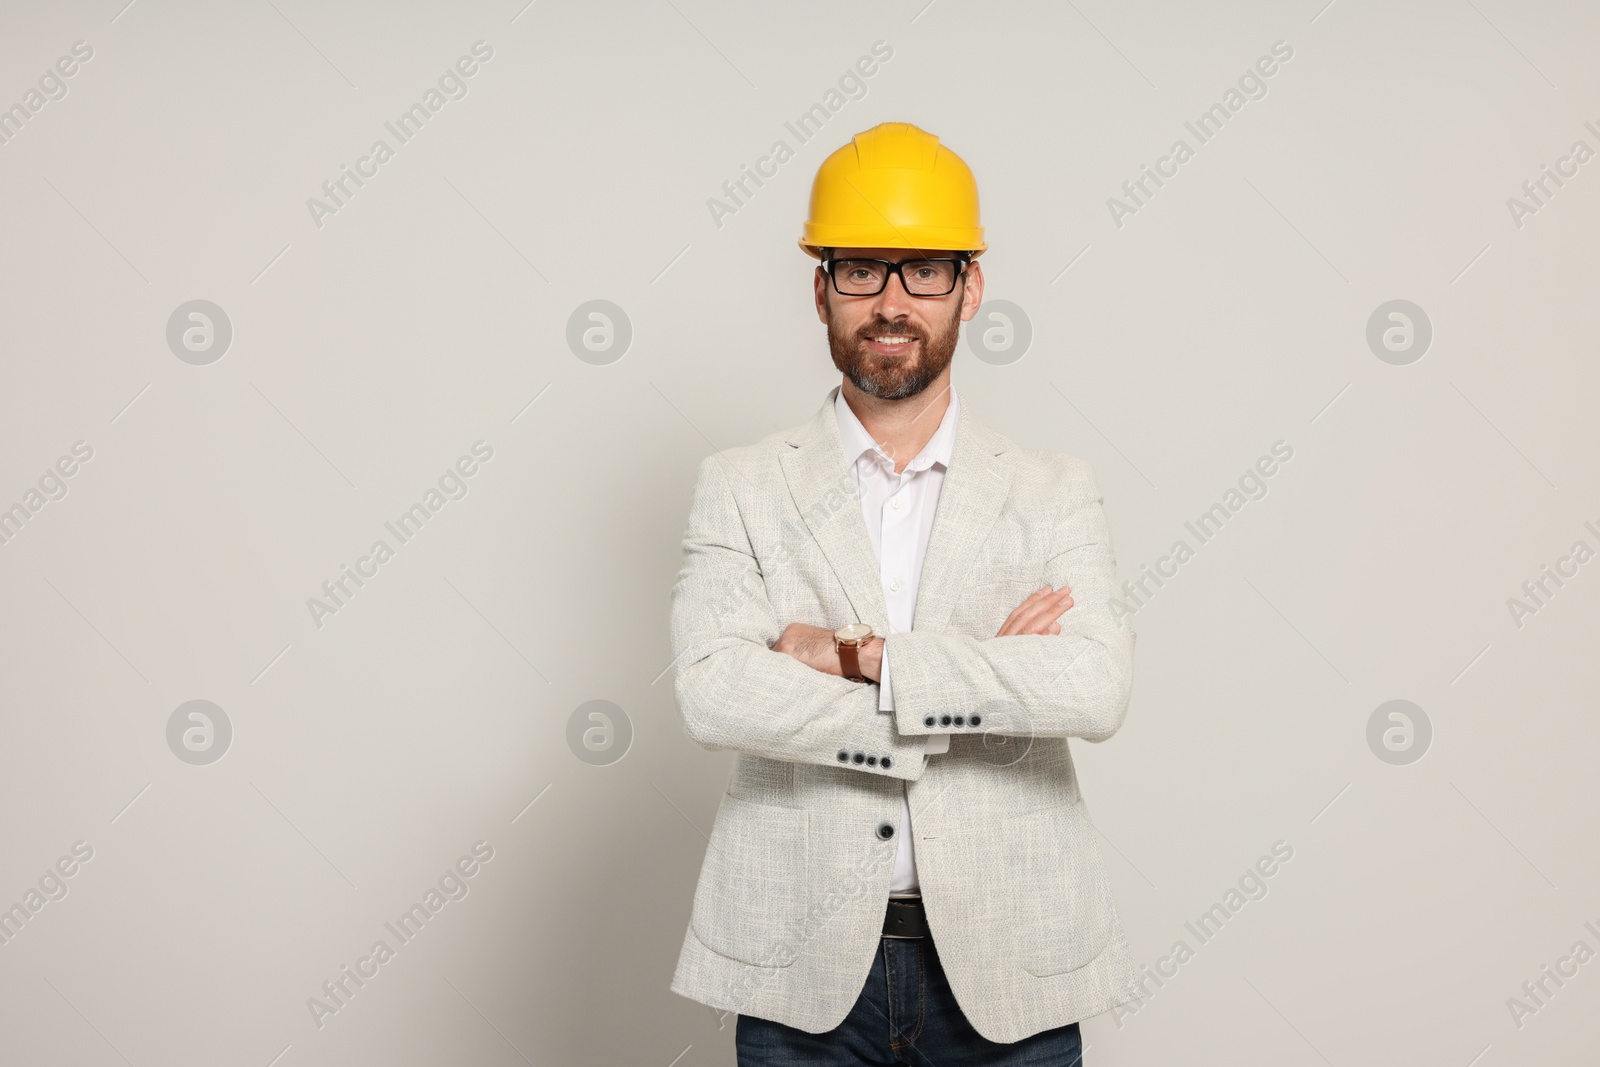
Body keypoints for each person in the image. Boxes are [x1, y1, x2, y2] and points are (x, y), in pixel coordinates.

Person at [668, 121, 1139, 1065]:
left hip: (1011, 962)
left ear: (969, 286)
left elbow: (1092, 688)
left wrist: (855, 657)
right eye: (861, 270)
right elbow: (714, 691)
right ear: (820, 288)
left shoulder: (1052, 488)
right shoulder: (741, 483)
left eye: (922, 269)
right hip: (799, 965)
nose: (891, 301)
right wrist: (988, 683)